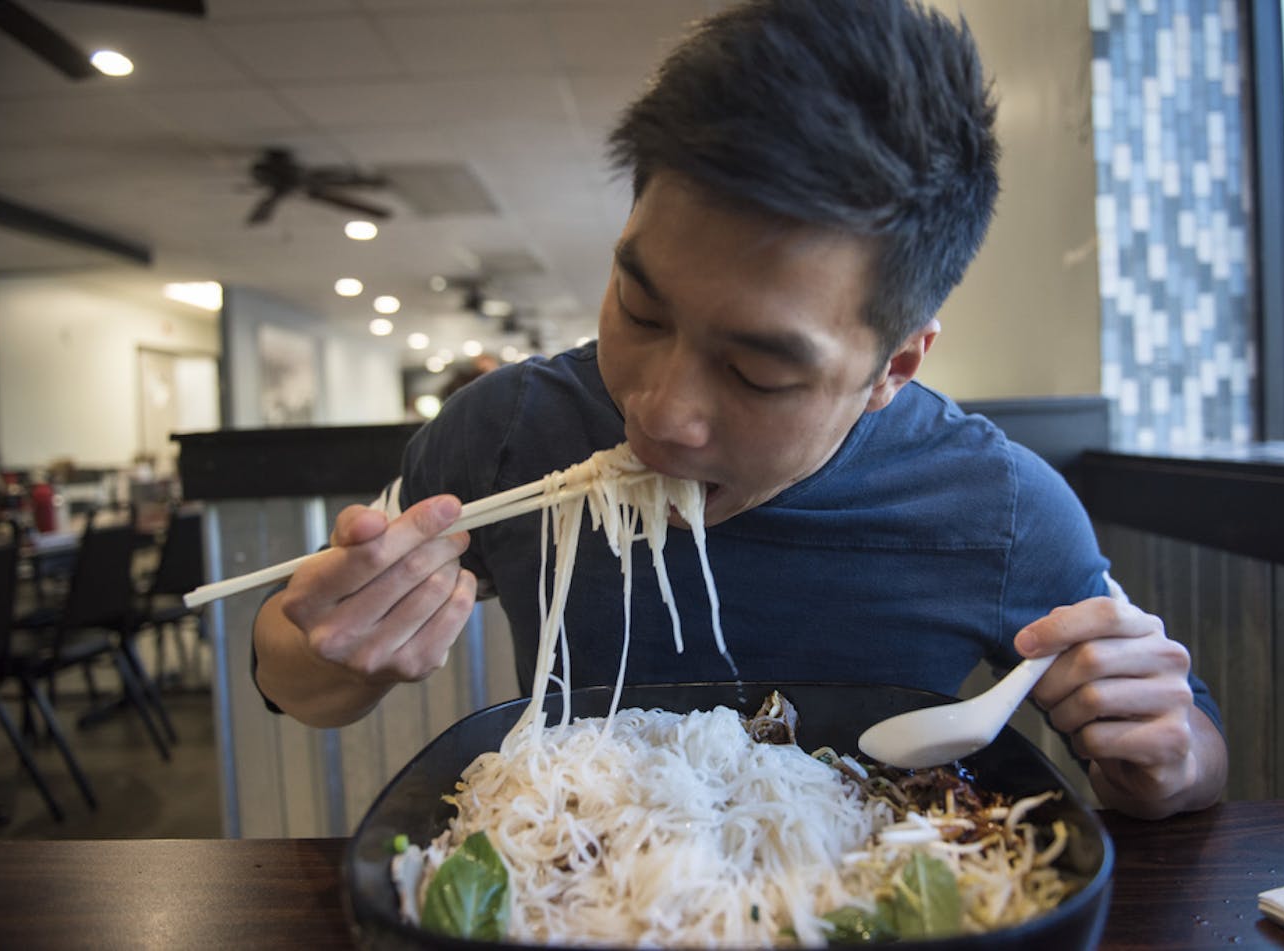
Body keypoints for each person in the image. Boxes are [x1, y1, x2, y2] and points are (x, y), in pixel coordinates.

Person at [253, 0, 1227, 820]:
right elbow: (290, 671)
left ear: (893, 365)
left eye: (758, 371)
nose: (660, 411)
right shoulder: (509, 428)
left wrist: (1161, 757)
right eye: (639, 309)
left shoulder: (996, 504)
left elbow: (1186, 758)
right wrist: (337, 654)